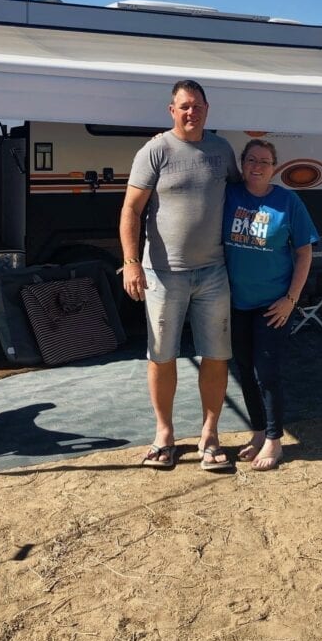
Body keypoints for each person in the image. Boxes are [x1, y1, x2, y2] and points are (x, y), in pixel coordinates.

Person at [120, 80, 240, 471]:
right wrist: (131, 261)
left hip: (214, 272)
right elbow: (131, 211)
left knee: (217, 354)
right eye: (184, 106)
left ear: (208, 109)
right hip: (163, 273)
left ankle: (210, 435)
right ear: (172, 110)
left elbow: (239, 195)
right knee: (162, 354)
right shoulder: (155, 150)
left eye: (198, 106)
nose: (192, 112)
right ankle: (164, 435)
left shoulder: (222, 150)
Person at [223, 139, 318, 471]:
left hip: (273, 305)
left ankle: (275, 441)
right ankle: (259, 432)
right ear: (243, 162)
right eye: (251, 159)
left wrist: (291, 300)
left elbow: (304, 252)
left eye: (265, 161)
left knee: (268, 373)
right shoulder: (230, 196)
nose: (257, 166)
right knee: (245, 372)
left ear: (274, 166)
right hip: (236, 303)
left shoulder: (287, 202)